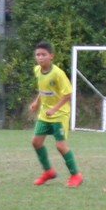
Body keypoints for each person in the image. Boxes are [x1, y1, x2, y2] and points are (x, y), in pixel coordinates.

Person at [28, 41, 82, 186]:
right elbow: (43, 89)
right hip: (44, 115)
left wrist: (54, 109)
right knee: (36, 142)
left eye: (43, 55)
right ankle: (48, 172)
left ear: (51, 56)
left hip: (59, 115)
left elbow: (68, 94)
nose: (40, 58)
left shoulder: (58, 73)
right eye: (38, 55)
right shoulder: (37, 70)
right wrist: (36, 102)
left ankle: (76, 175)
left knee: (60, 146)